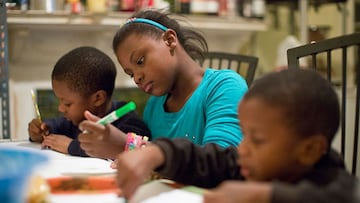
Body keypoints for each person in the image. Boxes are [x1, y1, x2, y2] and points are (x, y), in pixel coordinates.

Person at [114, 68, 358, 202]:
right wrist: (158, 153)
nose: (242, 148)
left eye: (258, 140)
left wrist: (262, 195)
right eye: (245, 135)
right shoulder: (250, 165)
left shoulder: (331, 183)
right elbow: (209, 158)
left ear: (309, 150)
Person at [77, 9, 248, 157]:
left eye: (140, 60)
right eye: (130, 74)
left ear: (170, 40)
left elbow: (222, 162)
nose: (137, 78)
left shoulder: (225, 87)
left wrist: (128, 146)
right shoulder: (154, 105)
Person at [27, 46, 151, 158]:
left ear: (98, 98)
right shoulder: (77, 120)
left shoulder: (129, 122)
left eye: (67, 104)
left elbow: (118, 148)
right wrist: (43, 129)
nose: (60, 108)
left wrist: (71, 146)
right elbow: (57, 125)